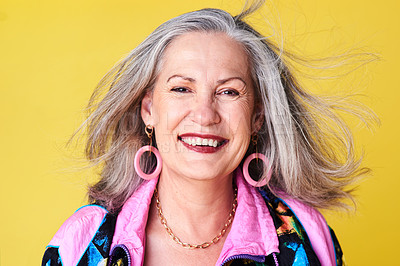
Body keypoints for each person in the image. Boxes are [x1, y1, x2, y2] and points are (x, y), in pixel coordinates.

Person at [42, 1, 372, 265]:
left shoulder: (306, 237)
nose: (204, 115)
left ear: (257, 117)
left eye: (229, 92)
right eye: (182, 89)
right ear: (149, 110)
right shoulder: (83, 242)